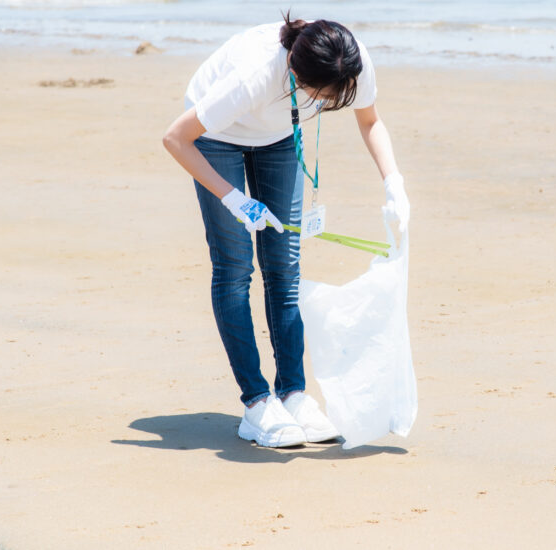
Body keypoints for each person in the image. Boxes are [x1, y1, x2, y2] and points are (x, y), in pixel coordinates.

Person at [162, 13, 410, 448]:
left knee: (284, 265)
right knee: (236, 267)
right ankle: (257, 404)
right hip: (214, 137)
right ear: (295, 74)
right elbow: (176, 139)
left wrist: (395, 184)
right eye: (323, 96)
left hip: (276, 136)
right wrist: (233, 199)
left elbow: (370, 121)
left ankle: (293, 394)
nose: (330, 102)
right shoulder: (254, 75)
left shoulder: (346, 59)